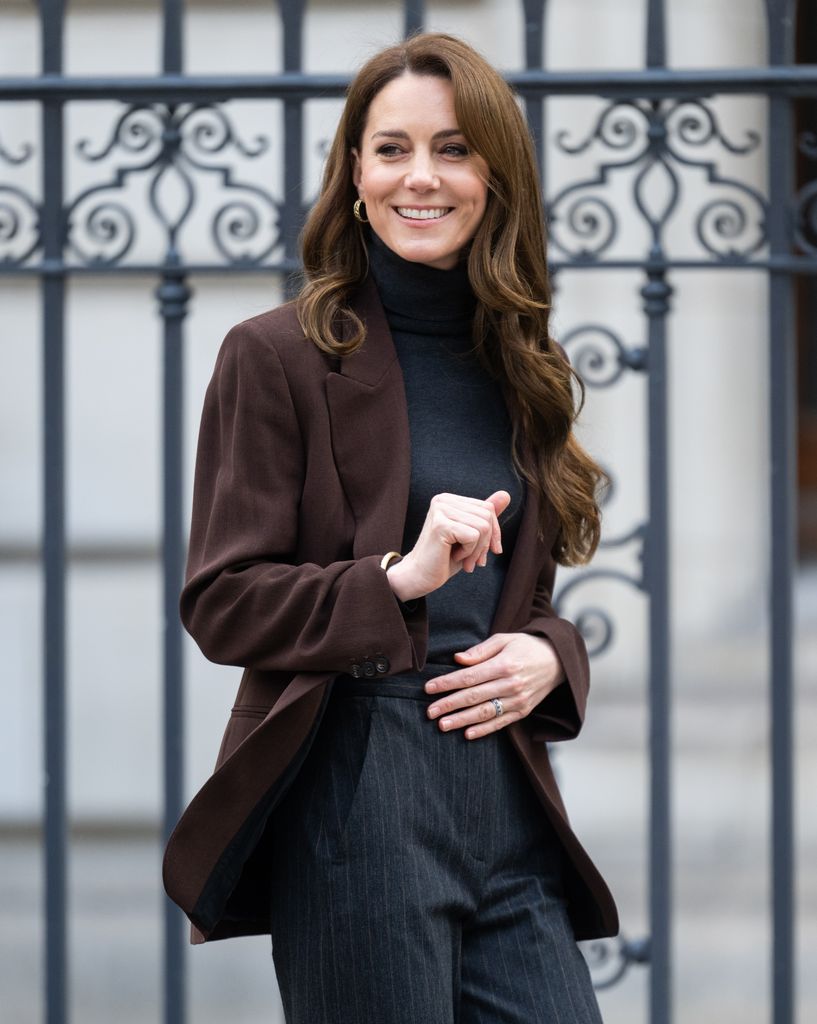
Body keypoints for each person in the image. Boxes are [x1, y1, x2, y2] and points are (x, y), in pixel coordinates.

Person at [163, 31, 618, 1024]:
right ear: (356, 175)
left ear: (494, 176)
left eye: (453, 149)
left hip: (505, 796)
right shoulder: (276, 356)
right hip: (356, 794)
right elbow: (221, 602)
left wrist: (550, 656)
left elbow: (524, 601)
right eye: (392, 149)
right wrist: (394, 577)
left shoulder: (520, 363)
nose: (423, 176)